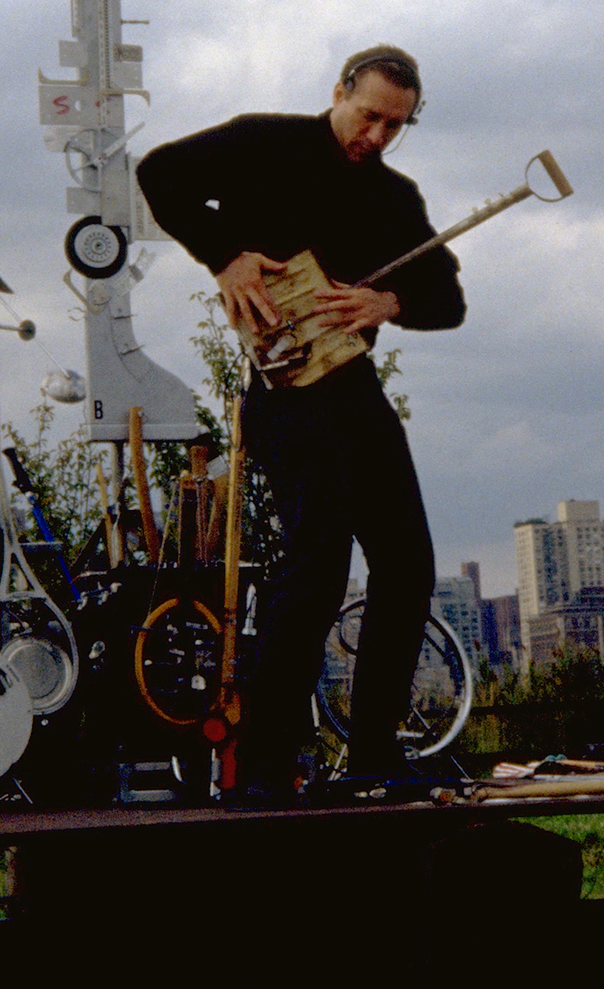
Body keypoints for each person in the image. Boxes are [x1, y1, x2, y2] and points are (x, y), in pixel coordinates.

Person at [136, 46, 465, 800]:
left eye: (396, 125)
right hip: (285, 392)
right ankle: (263, 765)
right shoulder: (266, 142)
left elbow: (448, 298)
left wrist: (392, 304)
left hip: (356, 390)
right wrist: (225, 258)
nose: (377, 136)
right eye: (369, 115)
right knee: (316, 569)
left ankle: (375, 751)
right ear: (339, 93)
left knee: (408, 562)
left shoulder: (395, 197)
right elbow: (159, 173)